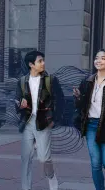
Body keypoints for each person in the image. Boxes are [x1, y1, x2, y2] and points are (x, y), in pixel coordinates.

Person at [73, 50, 105, 190]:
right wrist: (78, 98)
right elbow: (82, 106)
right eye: (96, 58)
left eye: (103, 58)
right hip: (91, 125)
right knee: (96, 164)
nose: (98, 61)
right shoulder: (87, 81)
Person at [15, 50, 65, 190]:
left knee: (44, 158)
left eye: (43, 60)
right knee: (26, 159)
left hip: (44, 122)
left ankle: (51, 177)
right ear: (31, 64)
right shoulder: (22, 81)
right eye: (39, 61)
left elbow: (60, 101)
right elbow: (17, 100)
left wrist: (55, 120)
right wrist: (20, 104)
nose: (43, 63)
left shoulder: (51, 80)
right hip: (27, 121)